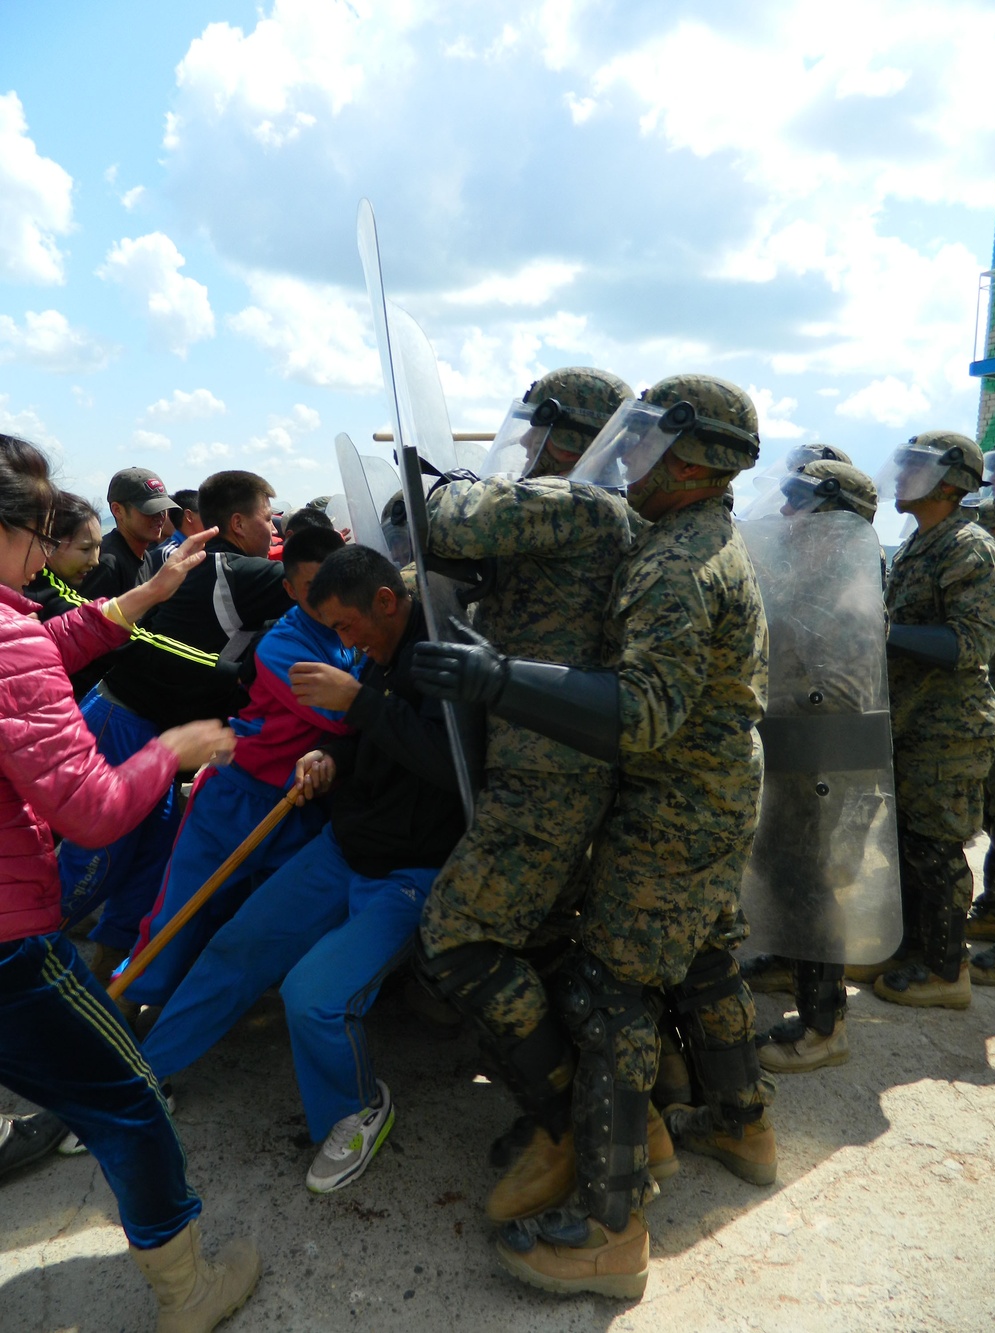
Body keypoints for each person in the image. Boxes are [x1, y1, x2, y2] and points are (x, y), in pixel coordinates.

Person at [413, 374, 772, 1298]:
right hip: (684, 795)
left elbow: (644, 713)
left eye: (649, 441)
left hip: (679, 800)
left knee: (611, 995)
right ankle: (707, 1129)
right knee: (647, 973)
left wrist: (498, 679)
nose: (630, 454)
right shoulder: (678, 540)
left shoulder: (679, 562)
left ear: (695, 459)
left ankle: (611, 1230)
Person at [0, 432, 259, 1329]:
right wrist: (173, 750)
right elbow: (93, 810)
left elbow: (39, 642)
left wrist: (145, 596)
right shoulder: (12, 641)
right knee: (131, 1100)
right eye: (36, 533)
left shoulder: (17, 627)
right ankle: (187, 1293)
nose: (42, 554)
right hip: (7, 939)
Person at [139, 545, 465, 1195]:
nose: (343, 641)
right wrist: (328, 755)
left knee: (311, 995)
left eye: (347, 627)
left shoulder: (448, 659)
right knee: (237, 943)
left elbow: (451, 763)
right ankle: (142, 1072)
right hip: (342, 846)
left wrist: (359, 705)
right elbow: (361, 736)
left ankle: (357, 1106)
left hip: (409, 874)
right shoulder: (379, 655)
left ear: (386, 602)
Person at [412, 367, 647, 1227]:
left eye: (539, 428)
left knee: (458, 935)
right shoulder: (598, 510)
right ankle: (622, 1121)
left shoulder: (578, 503)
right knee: (538, 938)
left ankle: (564, 1129)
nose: (530, 442)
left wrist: (442, 483)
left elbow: (443, 517)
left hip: (548, 766)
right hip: (543, 754)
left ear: (568, 433)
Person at [58, 470, 292, 977]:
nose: (273, 528)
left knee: (152, 855)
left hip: (152, 728)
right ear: (236, 521)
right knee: (96, 858)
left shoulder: (181, 553)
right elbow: (316, 585)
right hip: (126, 721)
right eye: (266, 518)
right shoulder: (241, 575)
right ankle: (20, 960)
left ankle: (104, 970)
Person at [120, 525, 356, 1008]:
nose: (331, 603)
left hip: (299, 805)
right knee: (180, 914)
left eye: (341, 587)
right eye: (314, 592)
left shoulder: (346, 632)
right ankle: (125, 1008)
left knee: (267, 914)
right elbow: (343, 717)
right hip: (236, 796)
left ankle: (212, 1006)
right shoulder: (282, 647)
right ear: (289, 589)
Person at [742, 461, 888, 1072]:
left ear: (833, 520)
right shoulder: (812, 578)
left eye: (799, 505)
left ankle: (825, 1028)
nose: (785, 516)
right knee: (782, 873)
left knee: (811, 886)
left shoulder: (847, 592)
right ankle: (788, 963)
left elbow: (847, 696)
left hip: (819, 766)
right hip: (792, 756)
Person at [871, 432, 995, 1008]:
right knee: (909, 844)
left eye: (915, 468)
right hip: (915, 722)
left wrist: (883, 634)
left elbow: (972, 642)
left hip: (949, 729)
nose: (901, 476)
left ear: (951, 482)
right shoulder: (920, 545)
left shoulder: (968, 548)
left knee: (938, 849)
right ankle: (912, 949)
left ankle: (948, 972)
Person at [79, 466, 176, 600]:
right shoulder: (107, 563)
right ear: (117, 510)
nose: (159, 516)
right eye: (150, 509)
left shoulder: (145, 556)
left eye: (163, 509)